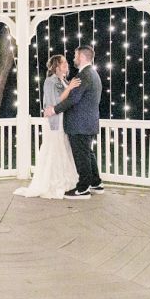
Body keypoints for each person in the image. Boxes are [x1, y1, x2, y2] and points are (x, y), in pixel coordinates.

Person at [14, 55, 81, 199]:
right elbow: (55, 101)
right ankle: (52, 183)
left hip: (63, 120)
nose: (67, 65)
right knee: (54, 149)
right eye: (64, 63)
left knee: (63, 149)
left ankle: (66, 182)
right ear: (57, 66)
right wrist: (69, 88)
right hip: (54, 122)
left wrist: (69, 87)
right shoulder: (50, 81)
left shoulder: (63, 80)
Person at [44, 46, 103, 199]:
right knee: (88, 154)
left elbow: (73, 99)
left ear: (82, 57)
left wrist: (55, 110)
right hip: (88, 122)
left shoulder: (84, 75)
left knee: (82, 156)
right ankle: (96, 183)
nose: (73, 59)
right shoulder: (92, 73)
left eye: (76, 55)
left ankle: (83, 188)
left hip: (80, 124)